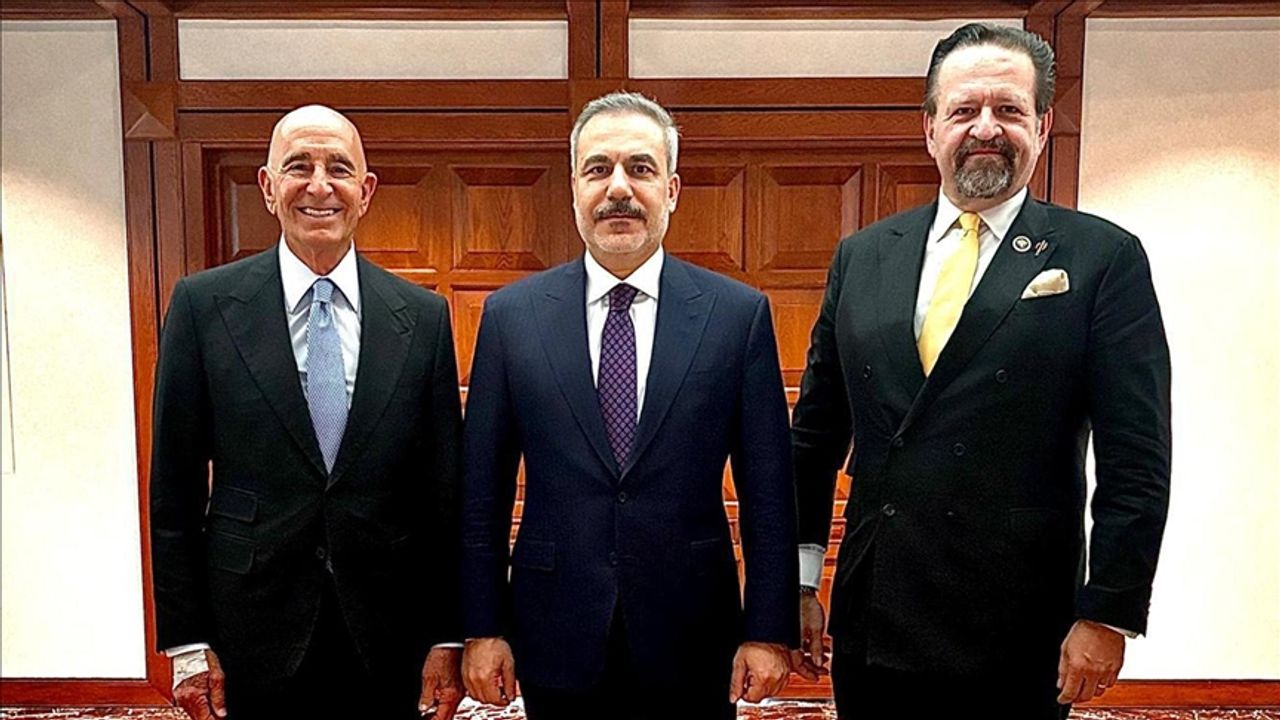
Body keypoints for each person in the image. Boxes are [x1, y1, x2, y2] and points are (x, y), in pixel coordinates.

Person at [790, 23, 1172, 719]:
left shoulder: (1101, 259)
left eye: (1009, 109)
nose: (986, 128)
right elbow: (813, 438)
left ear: (1043, 126)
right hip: (878, 614)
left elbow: (1136, 456)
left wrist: (1109, 611)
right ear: (931, 127)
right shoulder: (863, 256)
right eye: (964, 110)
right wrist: (799, 581)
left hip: (1022, 625)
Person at [460, 91, 798, 719]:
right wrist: (482, 627)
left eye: (640, 168)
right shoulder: (511, 317)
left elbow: (769, 492)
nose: (619, 188)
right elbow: (482, 492)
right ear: (574, 190)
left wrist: (767, 629)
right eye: (598, 169)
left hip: (693, 633)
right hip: (553, 631)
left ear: (671, 189)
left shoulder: (736, 316)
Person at [149, 105, 464, 720]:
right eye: (299, 166)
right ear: (268, 187)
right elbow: (174, 491)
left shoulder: (422, 319)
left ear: (365, 191)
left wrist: (446, 635)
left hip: (388, 633)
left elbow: (443, 495)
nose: (320, 186)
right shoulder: (203, 307)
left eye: (339, 169)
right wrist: (186, 643)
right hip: (247, 629)